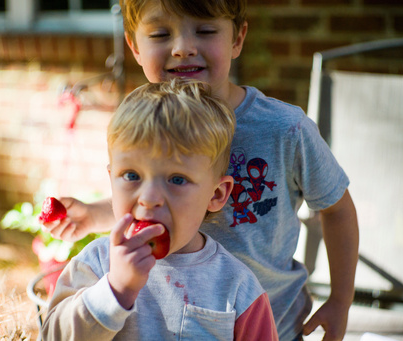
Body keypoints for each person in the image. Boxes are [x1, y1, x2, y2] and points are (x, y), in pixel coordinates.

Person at [42, 0, 359, 340]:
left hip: (272, 324)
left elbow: (337, 210)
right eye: (161, 33)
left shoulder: (285, 129)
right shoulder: (145, 121)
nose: (182, 48)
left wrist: (341, 299)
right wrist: (94, 214)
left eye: (205, 30)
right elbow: (152, 203)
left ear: (237, 39)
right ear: (134, 44)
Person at [42, 79, 279, 340]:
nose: (149, 198)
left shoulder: (237, 286)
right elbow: (52, 335)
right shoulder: (97, 264)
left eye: (177, 179)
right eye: (132, 175)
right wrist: (114, 291)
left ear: (216, 194)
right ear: (111, 180)